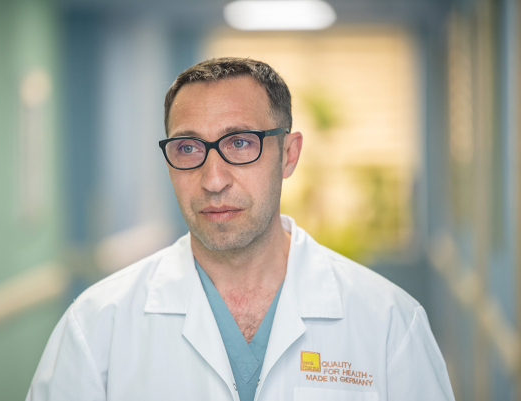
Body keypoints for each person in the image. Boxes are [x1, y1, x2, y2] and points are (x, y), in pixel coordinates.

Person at [26, 57, 455, 401]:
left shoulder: (388, 323)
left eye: (240, 143)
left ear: (288, 155)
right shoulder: (97, 325)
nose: (213, 180)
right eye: (188, 148)